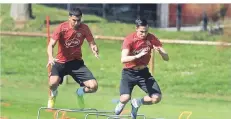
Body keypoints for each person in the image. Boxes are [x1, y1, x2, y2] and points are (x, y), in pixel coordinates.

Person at [114, 18, 169, 119]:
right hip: (129, 73)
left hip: (143, 73)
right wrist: (137, 56)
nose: (144, 34)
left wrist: (161, 52)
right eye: (141, 32)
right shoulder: (129, 39)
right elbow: (123, 59)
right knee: (125, 98)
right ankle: (121, 104)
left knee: (156, 98)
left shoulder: (151, 38)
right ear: (136, 29)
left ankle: (137, 102)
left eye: (146, 31)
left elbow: (167, 58)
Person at [47, 8, 99, 108]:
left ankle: (80, 92)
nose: (76, 23)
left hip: (76, 63)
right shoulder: (62, 28)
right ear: (69, 18)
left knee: (93, 86)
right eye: (74, 20)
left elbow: (92, 43)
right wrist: (50, 57)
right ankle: (53, 95)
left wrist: (94, 48)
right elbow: (51, 45)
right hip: (60, 62)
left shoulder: (84, 28)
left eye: (78, 20)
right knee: (52, 83)